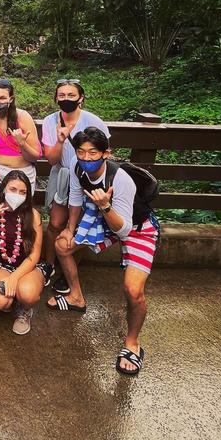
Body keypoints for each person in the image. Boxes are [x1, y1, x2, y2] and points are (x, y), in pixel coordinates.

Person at [48, 127, 160, 375]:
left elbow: (124, 230)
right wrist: (69, 228)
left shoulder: (120, 180)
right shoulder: (79, 168)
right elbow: (75, 198)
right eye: (81, 152)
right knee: (62, 246)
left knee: (134, 290)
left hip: (135, 227)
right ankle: (76, 297)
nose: (86, 158)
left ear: (106, 153)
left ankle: (132, 343)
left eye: (93, 153)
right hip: (103, 216)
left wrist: (106, 206)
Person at [41, 79, 110, 293]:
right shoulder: (50, 121)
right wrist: (61, 140)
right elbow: (52, 160)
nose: (66, 99)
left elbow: (105, 152)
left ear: (81, 98)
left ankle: (69, 270)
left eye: (71, 95)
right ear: (56, 98)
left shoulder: (93, 121)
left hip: (86, 176)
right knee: (55, 223)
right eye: (61, 95)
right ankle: (48, 264)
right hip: (62, 174)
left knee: (81, 226)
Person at [0, 170, 45, 335]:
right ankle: (12, 297)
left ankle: (25, 309)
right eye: (13, 189)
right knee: (0, 303)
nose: (17, 195)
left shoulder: (33, 215)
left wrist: (14, 278)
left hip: (28, 266)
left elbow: (34, 255)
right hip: (2, 264)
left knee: (27, 294)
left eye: (23, 192)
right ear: (4, 189)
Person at [0, 78, 41, 196]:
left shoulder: (23, 117)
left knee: (21, 211)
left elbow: (35, 156)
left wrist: (22, 144)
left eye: (2, 98)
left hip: (22, 173)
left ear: (11, 99)